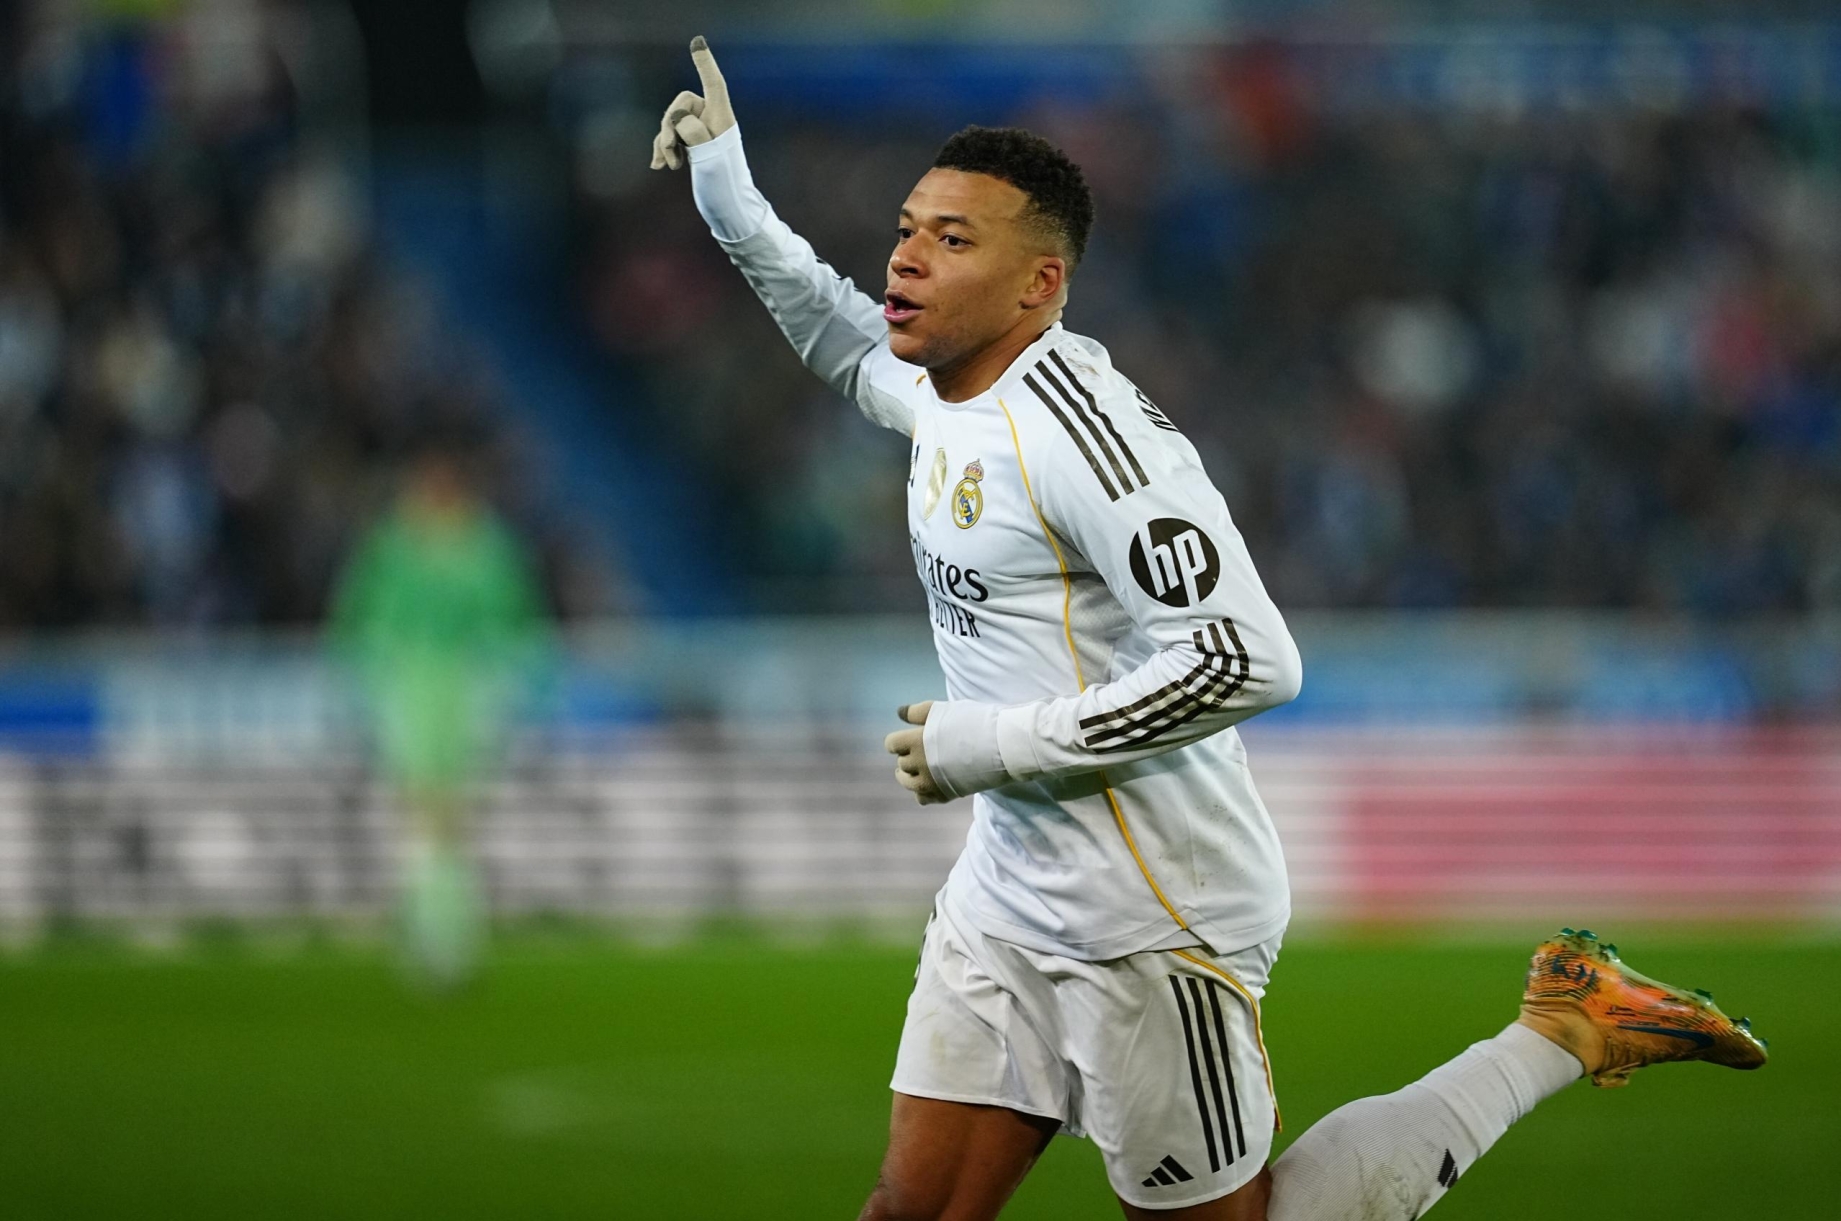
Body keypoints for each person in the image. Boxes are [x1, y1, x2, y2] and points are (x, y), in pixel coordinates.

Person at [652, 38, 1765, 1219]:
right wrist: (728, 193)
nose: (906, 257)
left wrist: (995, 745)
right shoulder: (946, 391)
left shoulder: (1092, 439)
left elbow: (1248, 656)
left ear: (1040, 285)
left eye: (953, 239)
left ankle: (1560, 1029)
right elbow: (839, 335)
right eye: (910, 227)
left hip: (1153, 914)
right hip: (1011, 894)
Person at [329, 439, 546, 989]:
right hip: (412, 692)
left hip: (463, 691)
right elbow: (361, 620)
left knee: (447, 816)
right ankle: (436, 932)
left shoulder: (480, 546)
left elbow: (513, 618)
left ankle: (445, 932)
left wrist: (520, 680)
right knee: (427, 813)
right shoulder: (398, 544)